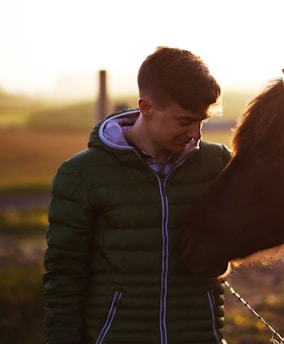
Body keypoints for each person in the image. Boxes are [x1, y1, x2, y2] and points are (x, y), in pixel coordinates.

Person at [43, 46, 231, 343]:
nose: (195, 133)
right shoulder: (82, 175)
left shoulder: (218, 164)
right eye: (184, 121)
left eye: (202, 121)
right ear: (146, 107)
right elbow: (64, 277)